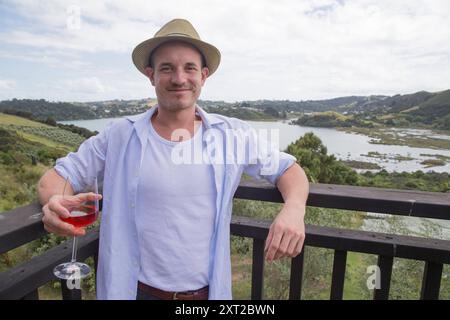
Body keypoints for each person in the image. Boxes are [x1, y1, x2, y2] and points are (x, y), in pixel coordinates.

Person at [38, 18, 309, 300]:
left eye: (189, 68)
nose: (179, 78)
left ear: (203, 76)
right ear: (150, 75)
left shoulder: (232, 135)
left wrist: (293, 209)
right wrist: (55, 203)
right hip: (132, 292)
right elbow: (57, 178)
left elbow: (288, 170)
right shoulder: (118, 136)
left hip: (207, 295)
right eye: (166, 68)